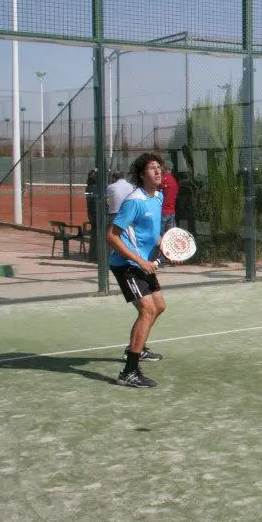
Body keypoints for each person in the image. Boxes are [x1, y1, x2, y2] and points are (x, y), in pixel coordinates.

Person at [106, 152, 168, 388]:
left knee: (159, 306)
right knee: (147, 310)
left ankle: (137, 349)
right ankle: (129, 372)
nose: (158, 171)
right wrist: (139, 261)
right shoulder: (134, 201)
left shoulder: (158, 197)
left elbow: (152, 232)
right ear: (142, 175)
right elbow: (111, 236)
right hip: (127, 265)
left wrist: (165, 246)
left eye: (159, 168)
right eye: (152, 168)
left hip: (145, 263)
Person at [160, 161, 179, 233]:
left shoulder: (163, 179)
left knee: (160, 237)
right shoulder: (173, 180)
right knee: (169, 236)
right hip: (172, 211)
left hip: (163, 211)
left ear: (164, 168)